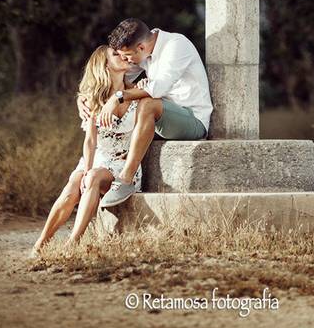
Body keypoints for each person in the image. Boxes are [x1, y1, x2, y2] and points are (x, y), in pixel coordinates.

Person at [78, 18, 213, 208]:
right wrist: (83, 98)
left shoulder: (175, 46)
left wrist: (117, 97)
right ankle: (99, 173)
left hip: (192, 120)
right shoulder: (143, 52)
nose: (126, 61)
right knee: (134, 103)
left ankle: (125, 179)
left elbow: (156, 89)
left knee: (147, 102)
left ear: (140, 47)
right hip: (162, 120)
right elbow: (115, 77)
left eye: (127, 56)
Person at [30, 45, 146, 255]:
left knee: (92, 177)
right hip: (97, 156)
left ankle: (73, 243)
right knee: (75, 183)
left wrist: (146, 85)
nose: (122, 55)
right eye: (115, 54)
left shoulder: (137, 92)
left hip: (123, 162)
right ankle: (41, 243)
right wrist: (85, 170)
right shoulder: (93, 98)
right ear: (104, 65)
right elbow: (90, 141)